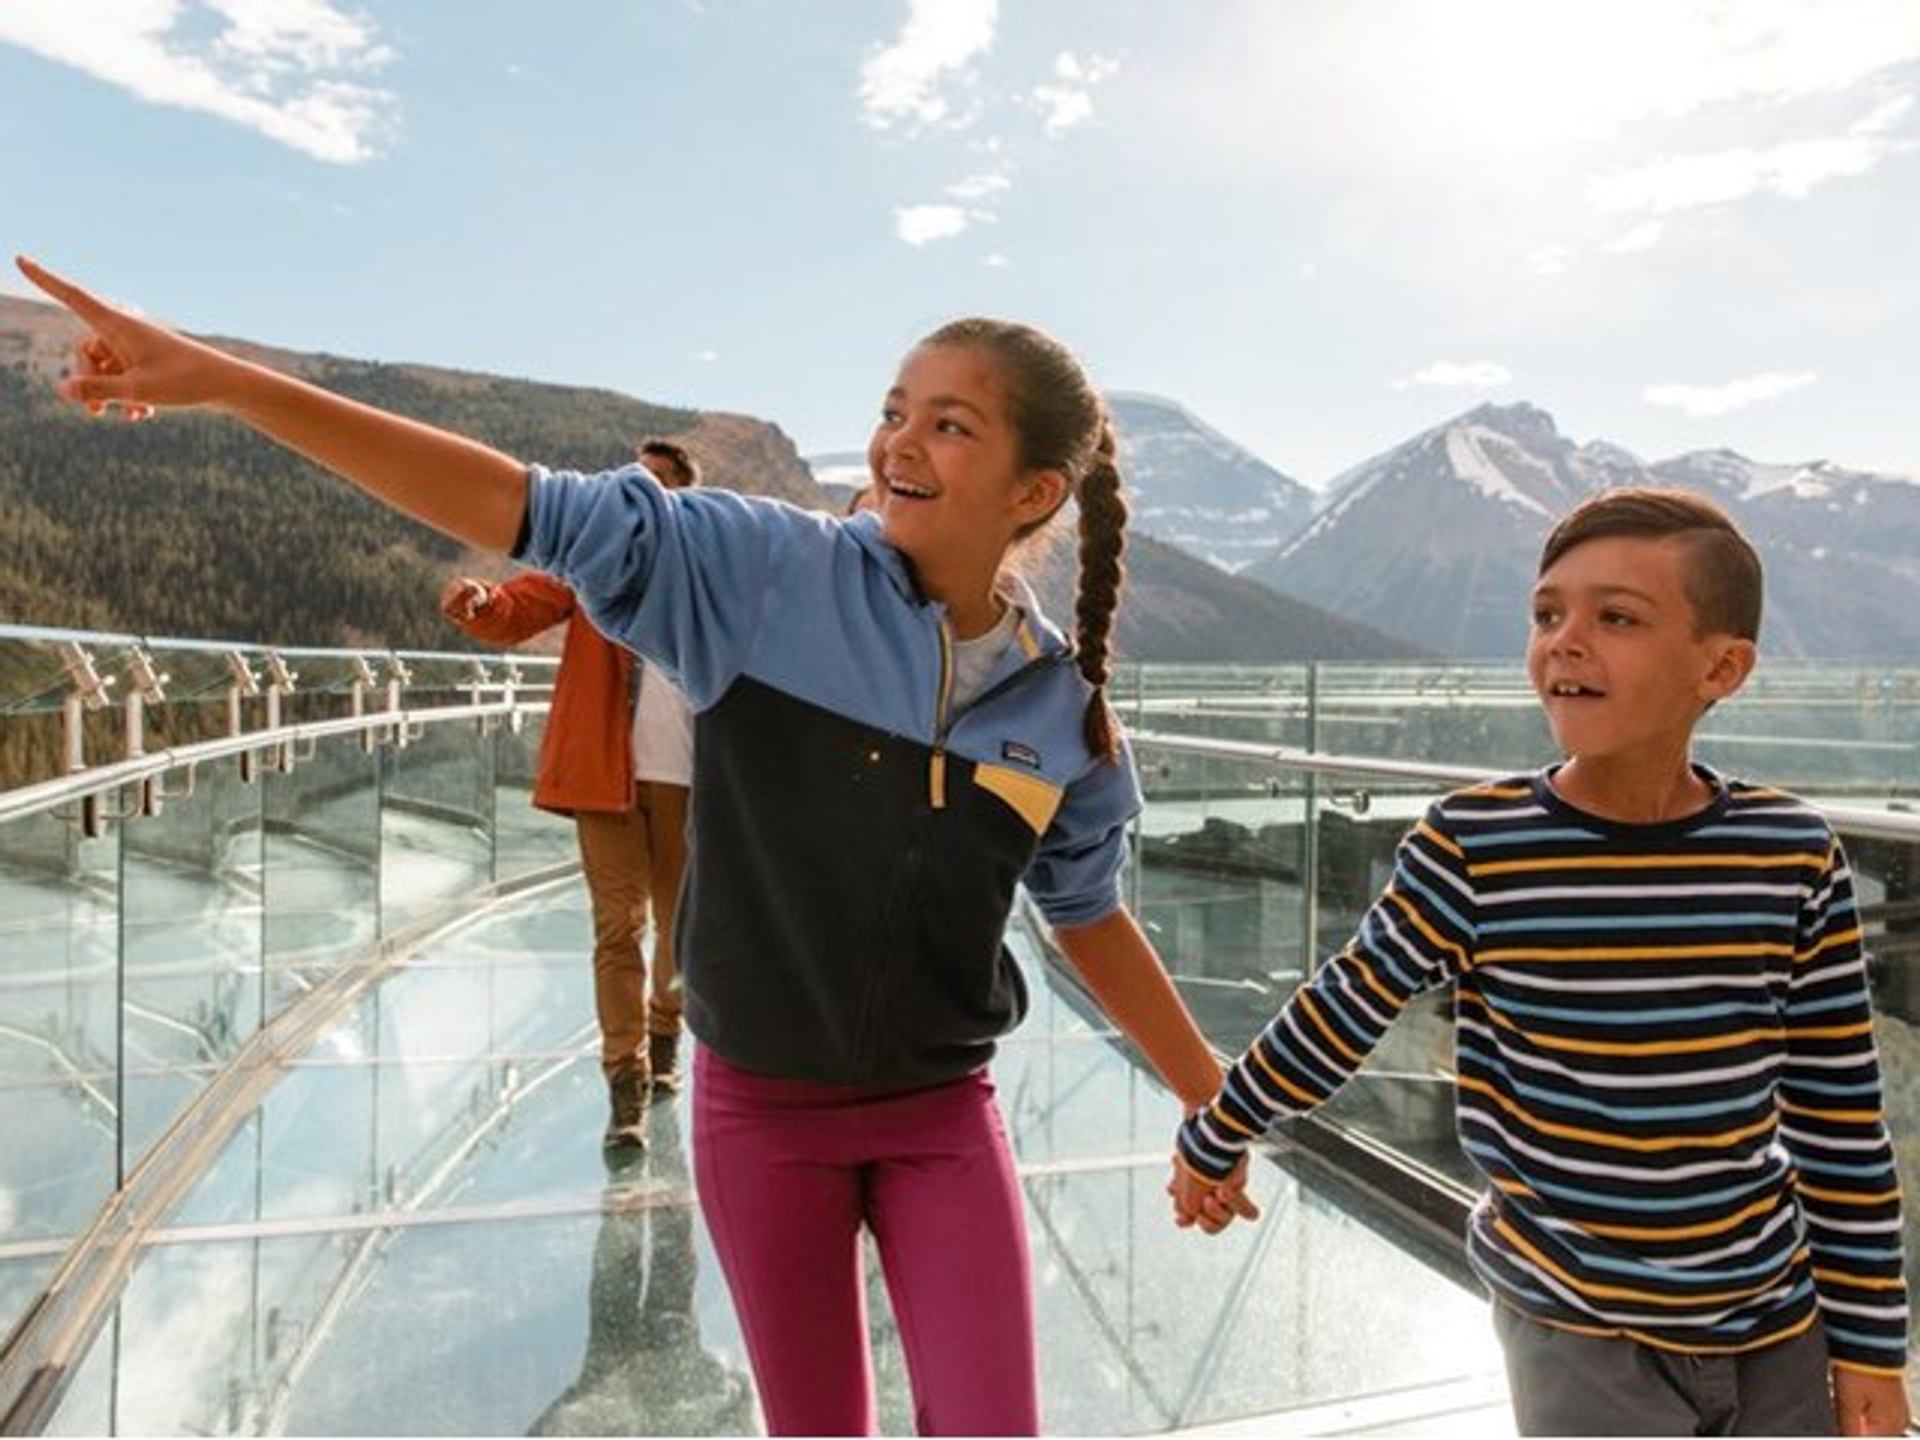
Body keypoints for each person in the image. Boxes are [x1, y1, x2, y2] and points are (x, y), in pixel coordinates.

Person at [20, 255, 1240, 1437]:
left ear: (1034, 492)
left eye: (950, 425)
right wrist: (232, 381)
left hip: (941, 1116)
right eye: (892, 410)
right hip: (763, 1117)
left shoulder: (1057, 711)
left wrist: (1211, 1105)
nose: (897, 444)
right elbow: (519, 505)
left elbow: (1088, 914)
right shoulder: (764, 569)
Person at [1171, 487, 1911, 1437]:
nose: (1565, 639)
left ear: (1721, 667)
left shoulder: (1790, 853)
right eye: (1547, 613)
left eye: (1617, 618)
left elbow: (1838, 1122)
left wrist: (1870, 1352)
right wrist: (1221, 1126)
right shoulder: (1475, 845)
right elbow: (1342, 1009)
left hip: (1776, 1325)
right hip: (1576, 1335)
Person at [440, 438, 700, 1151]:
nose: (635, 496)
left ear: (678, 499)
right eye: (631, 481)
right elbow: (522, 606)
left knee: (679, 933)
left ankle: (666, 1037)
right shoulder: (592, 562)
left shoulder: (709, 575)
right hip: (604, 776)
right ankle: (626, 1084)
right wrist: (482, 604)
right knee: (618, 927)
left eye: (653, 484)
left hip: (689, 781)